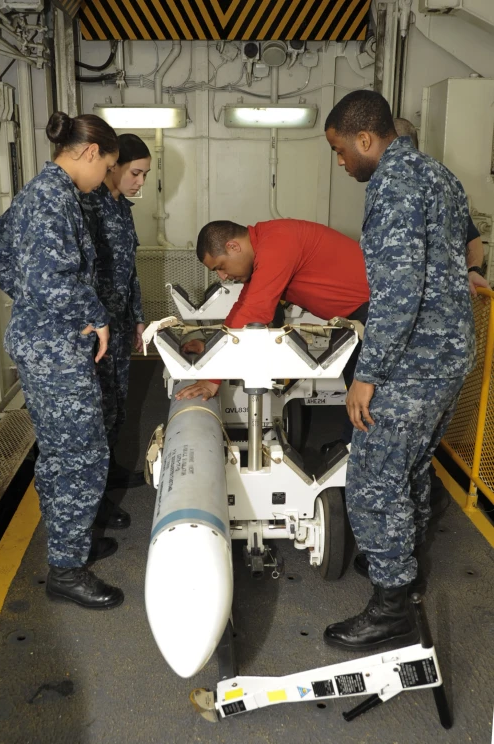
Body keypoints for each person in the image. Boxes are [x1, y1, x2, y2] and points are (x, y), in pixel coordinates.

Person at [322, 90, 475, 650]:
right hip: (453, 350)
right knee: (410, 466)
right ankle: (403, 575)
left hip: (414, 359)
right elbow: (466, 248)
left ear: (367, 139)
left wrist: (369, 372)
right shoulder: (437, 174)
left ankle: (392, 610)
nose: (342, 164)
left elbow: (398, 291)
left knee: (370, 479)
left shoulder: (392, 184)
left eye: (341, 152)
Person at [0, 112, 124, 610]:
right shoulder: (54, 199)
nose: (105, 177)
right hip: (55, 349)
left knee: (64, 450)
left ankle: (74, 538)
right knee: (78, 455)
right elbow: (49, 281)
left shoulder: (42, 193)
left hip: (47, 342)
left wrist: (26, 299)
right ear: (88, 153)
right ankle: (66, 568)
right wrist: (94, 314)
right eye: (106, 166)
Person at [175, 219, 370, 403]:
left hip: (376, 313)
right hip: (354, 319)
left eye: (221, 267)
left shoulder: (277, 242)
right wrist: (211, 346)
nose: (223, 276)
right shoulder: (265, 245)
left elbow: (255, 313)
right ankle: (350, 439)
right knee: (356, 392)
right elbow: (242, 308)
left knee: (372, 398)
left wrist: (212, 379)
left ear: (233, 247)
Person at [82, 134, 151, 529]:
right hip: (95, 330)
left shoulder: (122, 208)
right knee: (101, 412)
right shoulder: (87, 205)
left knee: (118, 407)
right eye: (136, 173)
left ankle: (107, 474)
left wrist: (137, 316)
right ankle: (98, 500)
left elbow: (130, 269)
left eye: (144, 174)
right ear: (113, 165)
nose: (140, 182)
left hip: (121, 324)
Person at [393, 117, 489, 297]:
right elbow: (473, 238)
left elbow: (472, 238)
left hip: (422, 308)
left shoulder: (402, 186)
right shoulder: (448, 181)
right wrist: (474, 269)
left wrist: (473, 270)